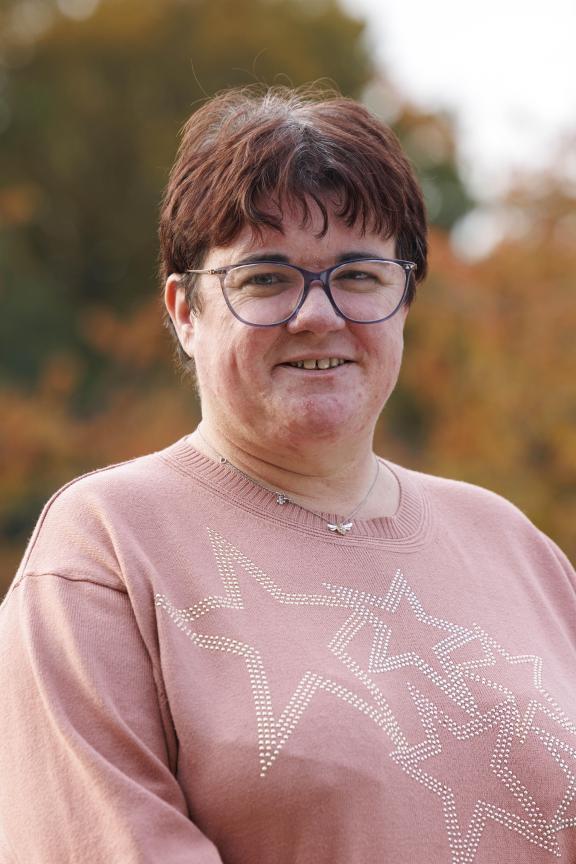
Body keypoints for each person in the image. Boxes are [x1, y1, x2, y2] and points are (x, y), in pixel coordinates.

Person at [0, 85, 574, 864]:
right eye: (266, 278)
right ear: (184, 311)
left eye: (360, 275)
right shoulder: (107, 548)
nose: (318, 314)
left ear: (405, 300)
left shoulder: (512, 544)